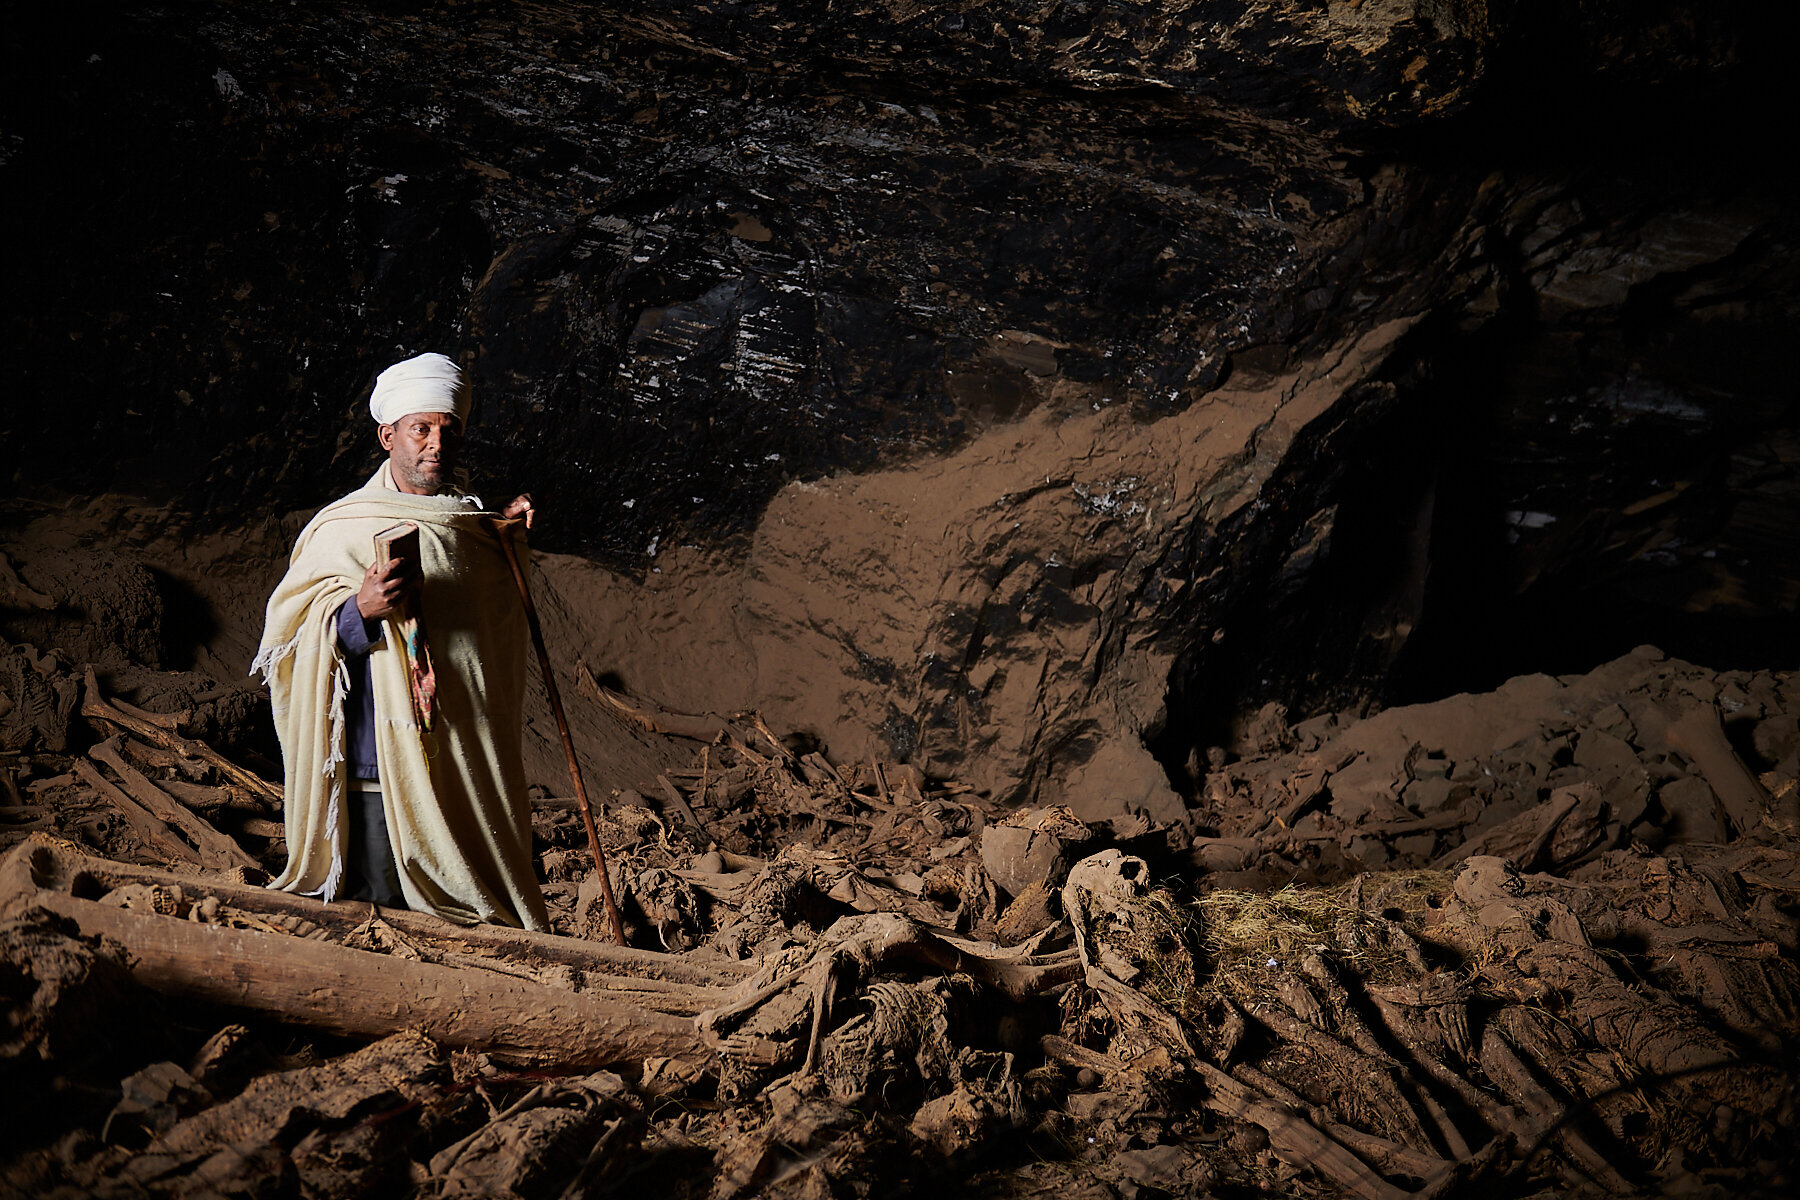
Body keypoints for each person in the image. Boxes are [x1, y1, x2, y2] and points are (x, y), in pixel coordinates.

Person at [253, 352, 549, 931]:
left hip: (459, 766)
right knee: (373, 919)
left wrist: (508, 544)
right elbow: (289, 635)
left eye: (448, 429)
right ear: (388, 436)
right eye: (421, 429)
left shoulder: (471, 527)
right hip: (373, 768)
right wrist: (358, 610)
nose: (436, 443)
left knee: (460, 926)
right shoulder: (344, 525)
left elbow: (492, 640)